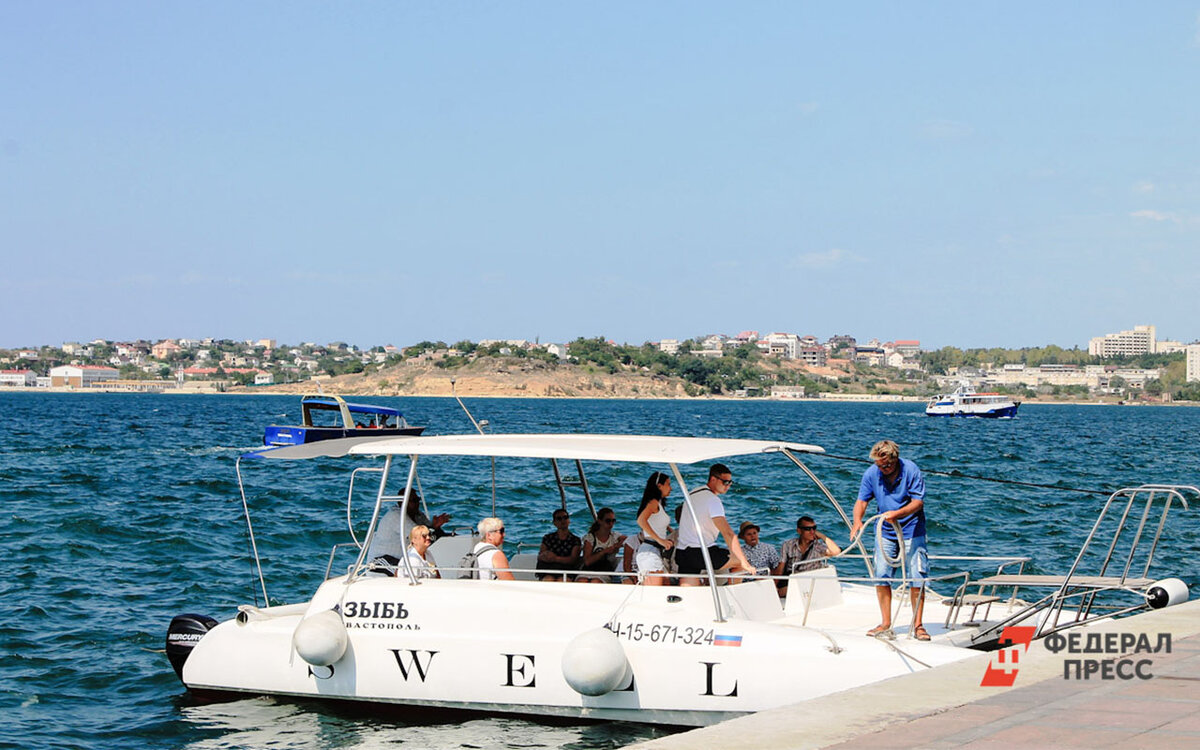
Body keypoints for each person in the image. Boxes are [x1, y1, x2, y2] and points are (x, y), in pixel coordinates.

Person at [850, 440, 930, 641]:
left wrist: (898, 514)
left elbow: (918, 502)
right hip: (884, 530)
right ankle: (885, 623)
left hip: (912, 529)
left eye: (886, 465)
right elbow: (862, 500)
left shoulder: (911, 469)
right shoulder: (871, 473)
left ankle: (918, 625)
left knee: (916, 576)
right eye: (879, 465)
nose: (883, 469)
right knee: (881, 574)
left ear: (895, 460)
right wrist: (857, 521)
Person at [675, 463, 752, 585]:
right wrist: (744, 562)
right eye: (725, 482)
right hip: (702, 552)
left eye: (730, 482)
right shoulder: (713, 500)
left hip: (682, 553)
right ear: (713, 479)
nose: (728, 486)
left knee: (689, 590)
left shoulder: (692, 494)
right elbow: (728, 533)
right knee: (739, 561)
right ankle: (732, 597)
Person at [634, 471, 674, 586]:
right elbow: (641, 520)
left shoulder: (659, 504)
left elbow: (657, 523)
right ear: (659, 486)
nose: (670, 488)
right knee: (655, 593)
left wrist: (672, 533)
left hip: (655, 551)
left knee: (666, 584)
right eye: (668, 484)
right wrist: (660, 540)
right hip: (649, 552)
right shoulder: (653, 502)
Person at [578, 507, 626, 583]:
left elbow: (628, 541)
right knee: (582, 581)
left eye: (613, 521)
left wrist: (617, 545)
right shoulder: (591, 538)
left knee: (596, 581)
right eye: (608, 521)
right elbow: (587, 561)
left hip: (604, 571)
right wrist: (604, 552)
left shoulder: (614, 536)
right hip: (588, 570)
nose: (611, 524)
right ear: (600, 521)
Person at [535, 509, 581, 581]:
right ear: (554, 523)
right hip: (549, 569)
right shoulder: (547, 538)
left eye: (565, 517)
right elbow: (541, 555)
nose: (563, 520)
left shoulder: (575, 540)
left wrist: (555, 558)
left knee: (562, 580)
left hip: (567, 570)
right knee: (548, 579)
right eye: (559, 518)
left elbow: (573, 559)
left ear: (569, 520)